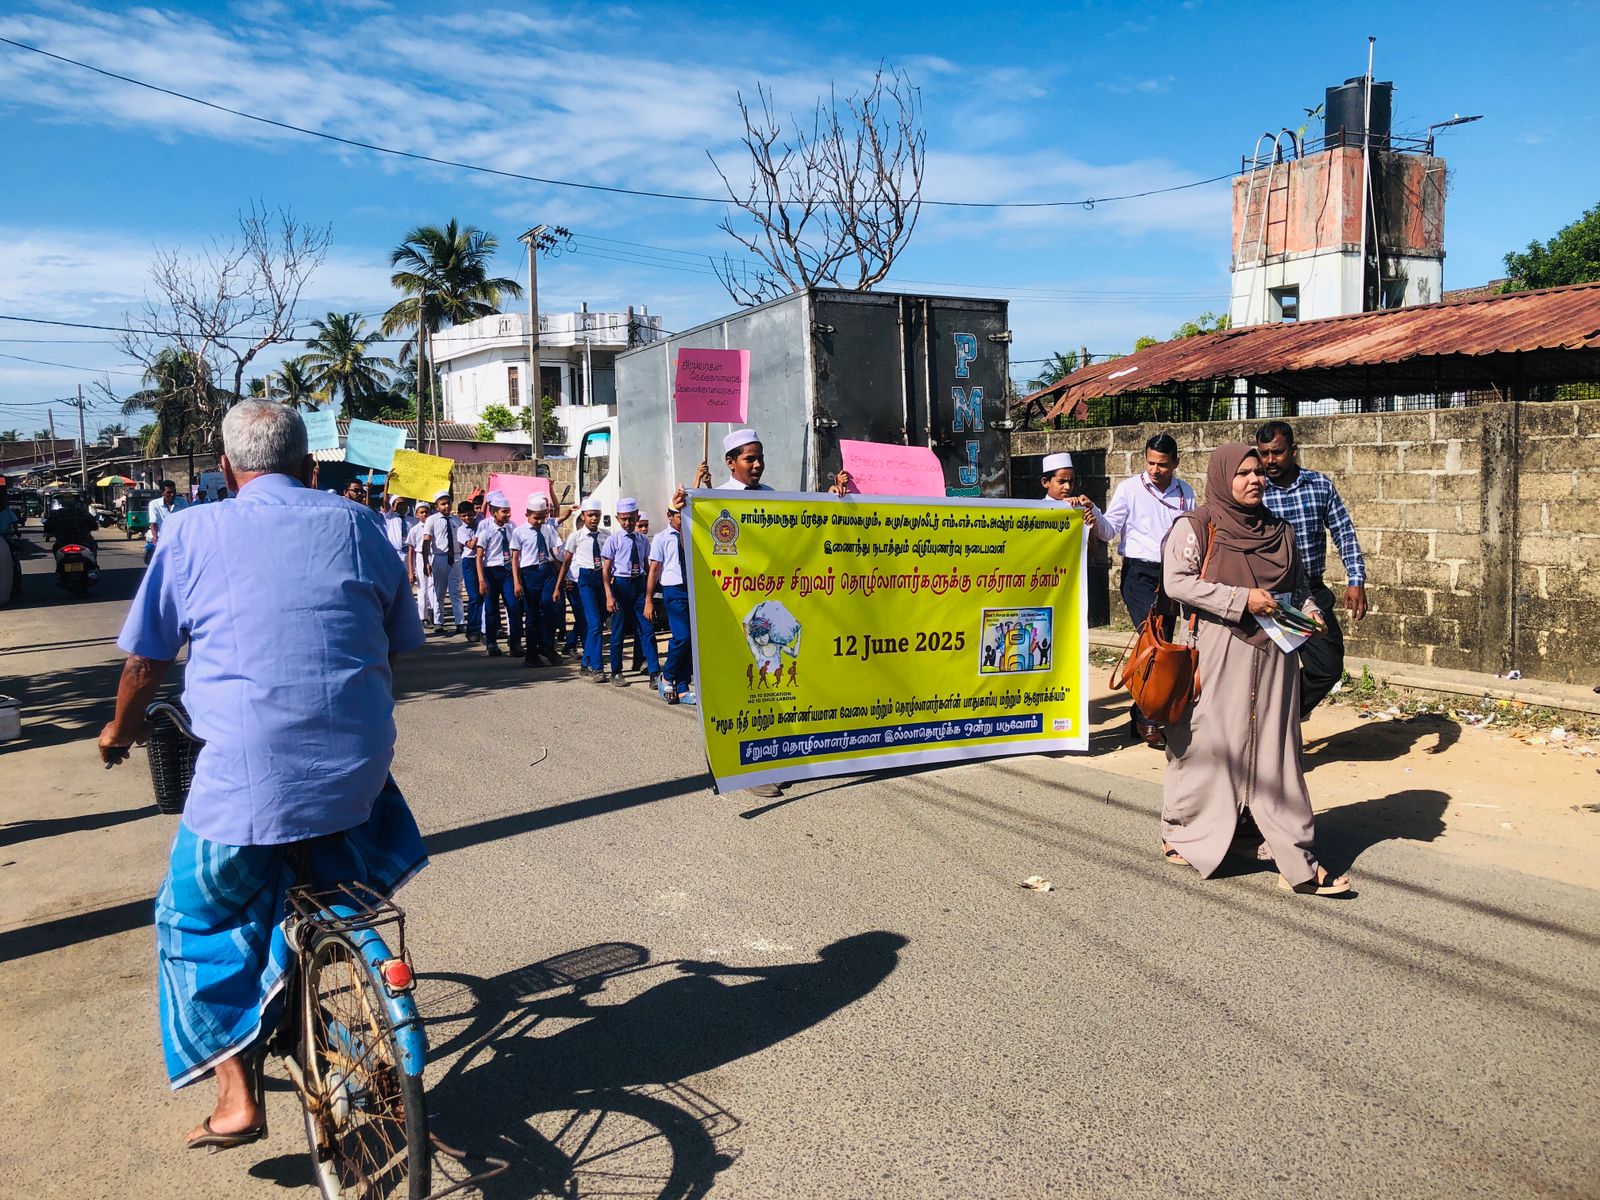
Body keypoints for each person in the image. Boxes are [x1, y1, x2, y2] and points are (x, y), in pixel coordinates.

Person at [97, 400, 428, 1151]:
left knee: (190, 918)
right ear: (309, 467)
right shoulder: (360, 523)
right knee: (330, 850)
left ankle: (236, 1097)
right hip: (357, 770)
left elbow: (146, 663)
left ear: (225, 469)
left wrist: (117, 731)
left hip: (247, 779)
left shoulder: (189, 531)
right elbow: (393, 644)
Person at [1159, 442, 1350, 897]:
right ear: (1222, 477)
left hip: (1276, 655)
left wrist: (1310, 612)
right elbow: (1177, 583)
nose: (1254, 480)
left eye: (1259, 472)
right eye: (1243, 473)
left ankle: (1290, 851)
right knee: (1209, 743)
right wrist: (1241, 599)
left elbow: (1298, 587)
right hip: (1218, 651)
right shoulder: (1197, 525)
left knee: (1276, 752)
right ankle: (1183, 829)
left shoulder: (1279, 531)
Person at [1255, 420, 1369, 719]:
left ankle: (1282, 719)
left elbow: (1344, 532)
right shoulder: (1256, 490)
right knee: (1265, 672)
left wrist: (1355, 579)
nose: (1270, 460)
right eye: (1264, 453)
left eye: (1277, 452)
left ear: (1293, 450)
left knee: (1327, 667)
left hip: (1312, 593)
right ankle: (1265, 731)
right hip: (1267, 596)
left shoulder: (1319, 485)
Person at [1102, 433, 1195, 749]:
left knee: (1162, 642)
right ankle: (1148, 719)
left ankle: (1141, 711)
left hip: (1172, 575)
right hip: (1139, 574)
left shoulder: (1186, 492)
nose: (1155, 470)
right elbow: (1109, 529)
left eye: (1163, 464)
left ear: (1175, 463)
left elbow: (1191, 533)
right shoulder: (1129, 489)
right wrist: (1092, 516)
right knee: (1153, 643)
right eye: (1151, 463)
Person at [601, 497, 661, 690]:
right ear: (618, 518)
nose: (628, 523)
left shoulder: (642, 540)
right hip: (621, 585)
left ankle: (654, 671)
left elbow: (647, 566)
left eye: (631, 519)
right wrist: (609, 595)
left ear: (637, 516)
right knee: (618, 630)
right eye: (624, 519)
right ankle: (616, 670)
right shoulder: (613, 540)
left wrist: (650, 593)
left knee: (647, 629)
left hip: (639, 586)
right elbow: (606, 570)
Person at [554, 498, 609, 680]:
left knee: (598, 623)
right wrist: (558, 586)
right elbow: (566, 562)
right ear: (583, 516)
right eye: (590, 515)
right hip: (586, 579)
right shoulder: (576, 537)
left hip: (602, 578)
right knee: (594, 623)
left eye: (597, 515)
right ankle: (597, 667)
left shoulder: (606, 535)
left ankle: (586, 662)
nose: (594, 518)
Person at [645, 502, 694, 705]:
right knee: (682, 637)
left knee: (691, 640)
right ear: (669, 515)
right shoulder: (661, 538)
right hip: (673, 590)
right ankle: (667, 675)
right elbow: (655, 569)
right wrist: (648, 599)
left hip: (691, 589)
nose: (682, 519)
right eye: (679, 515)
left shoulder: (691, 535)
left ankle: (682, 687)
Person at [510, 494, 561, 667]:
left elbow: (553, 553)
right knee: (532, 614)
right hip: (530, 573)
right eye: (536, 518)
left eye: (542, 517)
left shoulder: (548, 529)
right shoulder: (519, 532)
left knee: (549, 608)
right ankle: (532, 653)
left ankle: (548, 646)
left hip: (547, 571)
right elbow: (515, 558)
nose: (539, 521)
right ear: (527, 514)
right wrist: (516, 582)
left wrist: (560, 576)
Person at [474, 491, 522, 658]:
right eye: (504, 511)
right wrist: (481, 580)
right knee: (491, 609)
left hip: (508, 571)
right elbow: (479, 557)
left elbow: (515, 553)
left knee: (514, 607)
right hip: (491, 572)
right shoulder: (486, 532)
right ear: (494, 512)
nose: (508, 514)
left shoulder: (512, 528)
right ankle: (491, 642)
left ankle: (515, 642)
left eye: (509, 511)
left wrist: (517, 579)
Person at [1040, 451, 1113, 538]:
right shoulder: (1036, 511)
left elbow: (1105, 535)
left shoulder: (1079, 509)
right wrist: (1060, 506)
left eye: (1071, 482)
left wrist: (1091, 509)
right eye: (1061, 482)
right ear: (1045, 482)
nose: (1067, 487)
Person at [420, 490, 463, 636]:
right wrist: (426, 561)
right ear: (436, 506)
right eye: (443, 504)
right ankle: (439, 621)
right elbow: (427, 541)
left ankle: (460, 622)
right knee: (439, 591)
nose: (446, 506)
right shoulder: (431, 520)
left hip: (455, 557)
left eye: (448, 503)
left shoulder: (456, 520)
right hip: (440, 557)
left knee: (456, 590)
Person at [404, 501, 440, 630]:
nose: (424, 514)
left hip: (433, 555)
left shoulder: (435, 526)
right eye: (422, 512)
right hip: (420, 557)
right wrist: (411, 570)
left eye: (427, 512)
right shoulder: (414, 530)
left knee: (434, 587)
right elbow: (411, 551)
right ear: (417, 514)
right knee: (422, 588)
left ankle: (435, 615)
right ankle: (423, 617)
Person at [453, 499, 479, 642]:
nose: (468, 518)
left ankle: (485, 628)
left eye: (470, 515)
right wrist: (480, 531)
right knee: (474, 597)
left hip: (483, 561)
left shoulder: (480, 521)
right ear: (459, 516)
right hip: (469, 562)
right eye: (464, 516)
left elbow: (485, 508)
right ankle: (472, 629)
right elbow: (472, 545)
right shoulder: (462, 530)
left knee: (485, 596)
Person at [146, 478, 188, 564]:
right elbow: (153, 523)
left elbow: (188, 519)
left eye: (174, 492)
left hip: (179, 537)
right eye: (169, 492)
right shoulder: (154, 504)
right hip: (162, 538)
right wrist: (155, 537)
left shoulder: (182, 502)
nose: (172, 495)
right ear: (162, 493)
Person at [382, 494, 414, 565]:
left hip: (410, 555)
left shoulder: (413, 521)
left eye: (404, 503)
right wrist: (387, 488)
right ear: (393, 507)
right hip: (394, 554)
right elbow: (386, 503)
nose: (403, 506)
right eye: (400, 504)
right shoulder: (389, 517)